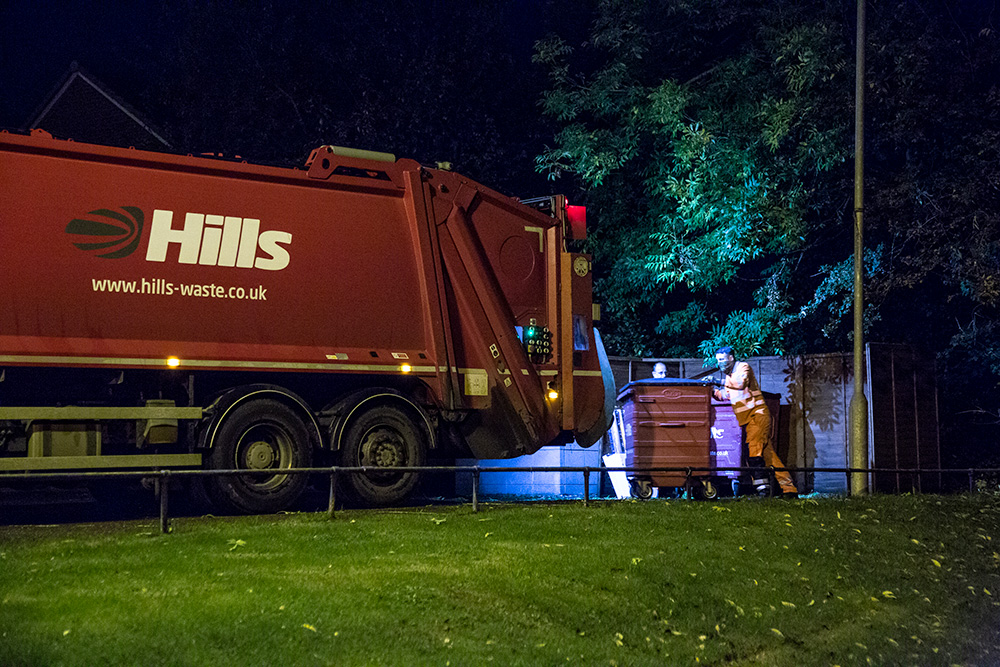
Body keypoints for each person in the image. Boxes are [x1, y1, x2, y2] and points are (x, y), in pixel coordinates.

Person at [703, 346, 798, 498]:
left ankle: (763, 491)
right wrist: (711, 390)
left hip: (757, 416)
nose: (720, 363)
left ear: (731, 358)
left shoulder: (743, 367)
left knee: (753, 453)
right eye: (718, 360)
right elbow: (725, 395)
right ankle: (789, 489)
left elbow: (740, 384)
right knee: (769, 456)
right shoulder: (729, 378)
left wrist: (717, 380)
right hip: (750, 419)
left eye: (722, 359)